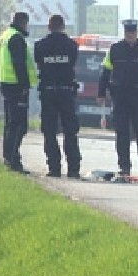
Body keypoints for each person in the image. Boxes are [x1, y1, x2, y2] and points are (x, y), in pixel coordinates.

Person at [97, 19, 138, 176]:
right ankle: (124, 166)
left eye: (132, 33)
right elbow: (105, 73)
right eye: (128, 33)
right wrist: (101, 93)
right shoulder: (115, 49)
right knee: (122, 133)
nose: (130, 36)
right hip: (120, 97)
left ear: (136, 33)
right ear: (124, 33)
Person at [34, 14, 82, 178]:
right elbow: (72, 63)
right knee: (70, 130)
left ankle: (54, 168)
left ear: (49, 27)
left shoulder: (40, 46)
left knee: (49, 130)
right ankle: (73, 169)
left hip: (48, 92)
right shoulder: (71, 45)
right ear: (63, 27)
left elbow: (39, 64)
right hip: (66, 92)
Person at [0, 11, 38, 173]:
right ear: (23, 23)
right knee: (19, 124)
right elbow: (19, 64)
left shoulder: (5, 36)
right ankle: (13, 160)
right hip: (16, 86)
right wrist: (24, 86)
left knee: (10, 123)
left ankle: (8, 157)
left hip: (5, 83)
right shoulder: (17, 39)